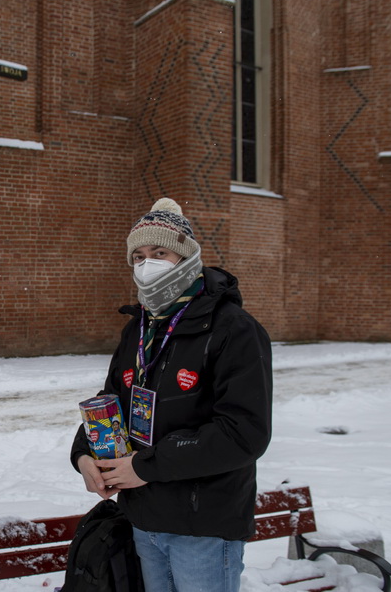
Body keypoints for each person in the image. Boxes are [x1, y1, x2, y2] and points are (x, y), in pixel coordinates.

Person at [70, 198, 272, 592]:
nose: (148, 264)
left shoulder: (233, 329)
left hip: (203, 525)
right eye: (139, 256)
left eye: (159, 252)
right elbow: (112, 398)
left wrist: (144, 467)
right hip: (145, 518)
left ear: (185, 256)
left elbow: (243, 433)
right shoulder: (140, 327)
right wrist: (84, 454)